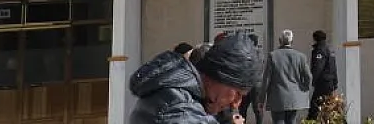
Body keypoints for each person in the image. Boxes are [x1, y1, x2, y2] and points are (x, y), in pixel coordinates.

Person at [128, 32, 260, 124]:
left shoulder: (178, 93)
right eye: (237, 93)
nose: (236, 103)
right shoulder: (179, 109)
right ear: (219, 76)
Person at [258, 29, 314, 124]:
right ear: (292, 41)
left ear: (280, 40)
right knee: (292, 120)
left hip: (277, 97)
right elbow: (308, 76)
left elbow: (266, 79)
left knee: (278, 121)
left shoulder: (273, 56)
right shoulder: (301, 56)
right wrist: (303, 88)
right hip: (294, 97)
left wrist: (261, 99)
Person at [309, 30, 339, 117]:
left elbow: (318, 68)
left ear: (315, 39)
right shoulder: (330, 50)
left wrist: (313, 81)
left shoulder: (320, 50)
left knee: (314, 107)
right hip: (330, 83)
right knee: (328, 107)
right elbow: (334, 67)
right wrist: (335, 82)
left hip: (322, 83)